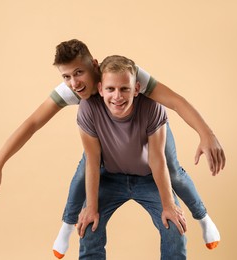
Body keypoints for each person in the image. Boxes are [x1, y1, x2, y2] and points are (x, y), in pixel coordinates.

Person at [0, 39, 225, 258]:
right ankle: (67, 224)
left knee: (172, 172)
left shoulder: (132, 78)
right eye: (66, 77)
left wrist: (206, 134)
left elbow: (176, 102)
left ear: (94, 66)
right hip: (109, 151)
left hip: (150, 141)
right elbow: (32, 123)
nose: (74, 83)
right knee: (87, 166)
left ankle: (203, 218)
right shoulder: (76, 95)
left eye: (78, 73)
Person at [76, 54, 187, 259]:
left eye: (124, 89)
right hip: (110, 177)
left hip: (148, 178)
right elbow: (91, 161)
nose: (117, 96)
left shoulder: (153, 106)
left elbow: (158, 158)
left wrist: (169, 205)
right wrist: (91, 207)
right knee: (89, 225)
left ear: (136, 89)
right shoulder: (88, 109)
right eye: (110, 89)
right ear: (101, 89)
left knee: (174, 227)